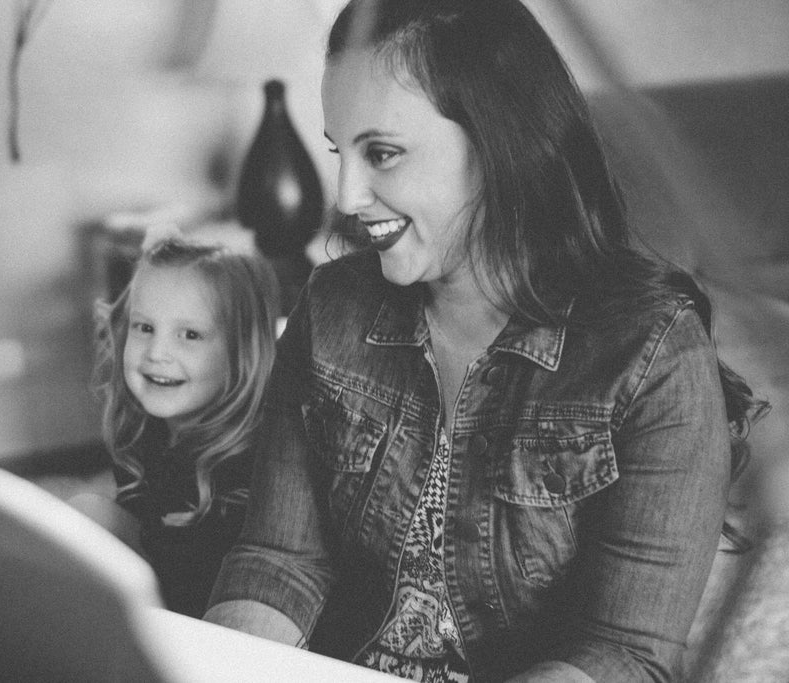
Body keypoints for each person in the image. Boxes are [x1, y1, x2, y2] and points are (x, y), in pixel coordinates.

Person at [204, 1, 769, 681]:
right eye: (339, 152)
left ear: (498, 144)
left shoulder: (655, 357)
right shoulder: (331, 307)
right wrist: (217, 668)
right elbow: (280, 558)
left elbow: (626, 653)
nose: (347, 197)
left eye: (381, 153)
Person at [93, 237, 279, 618]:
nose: (156, 352)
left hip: (221, 620)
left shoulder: (253, 462)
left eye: (190, 335)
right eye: (144, 327)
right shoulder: (144, 431)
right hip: (161, 601)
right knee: (84, 515)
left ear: (241, 351)